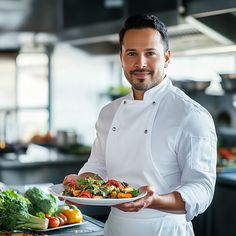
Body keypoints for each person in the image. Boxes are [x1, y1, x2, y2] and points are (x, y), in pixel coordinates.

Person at [63, 14, 217, 235]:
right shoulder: (109, 113)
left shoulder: (191, 115)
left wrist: (154, 201)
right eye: (132, 53)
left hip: (166, 228)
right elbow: (98, 166)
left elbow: (201, 188)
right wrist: (80, 185)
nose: (140, 63)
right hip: (115, 228)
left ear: (166, 58)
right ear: (121, 58)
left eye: (150, 54)